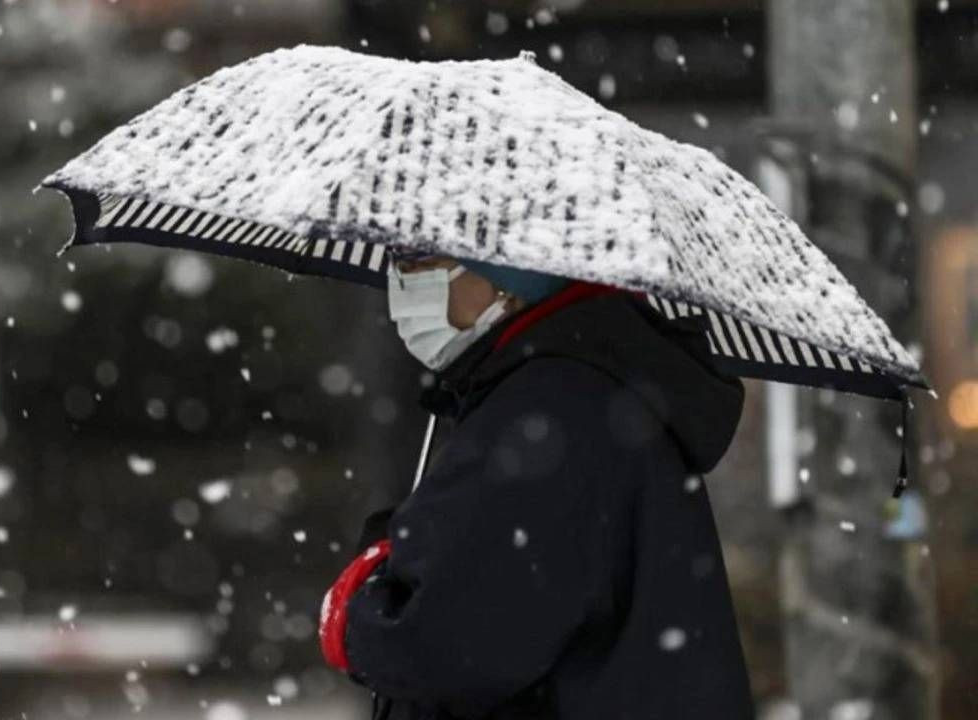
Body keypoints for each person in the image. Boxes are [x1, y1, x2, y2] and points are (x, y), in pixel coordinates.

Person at [317, 254, 755, 719]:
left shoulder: (551, 410)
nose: (402, 282)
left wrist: (364, 600)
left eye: (421, 259)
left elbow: (440, 646)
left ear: (508, 278)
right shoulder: (586, 385)